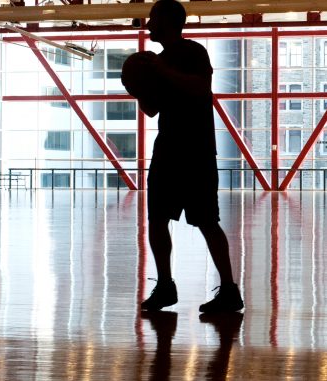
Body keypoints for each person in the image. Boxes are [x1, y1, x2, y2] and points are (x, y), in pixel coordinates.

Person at [138, 0, 243, 313]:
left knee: (208, 222)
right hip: (167, 149)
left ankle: (229, 291)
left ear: (168, 22)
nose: (148, 24)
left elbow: (200, 88)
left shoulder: (193, 52)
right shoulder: (158, 61)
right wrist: (141, 85)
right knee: (156, 220)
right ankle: (166, 286)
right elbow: (151, 108)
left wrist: (161, 71)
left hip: (195, 151)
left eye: (153, 18)